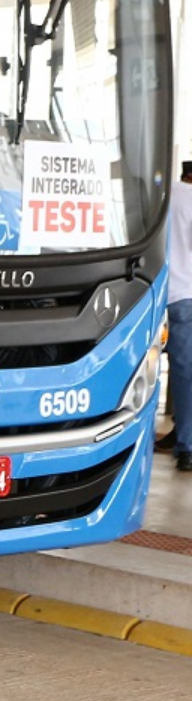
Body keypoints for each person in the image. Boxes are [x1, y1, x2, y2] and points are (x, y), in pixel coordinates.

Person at [164, 159, 192, 470]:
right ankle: (187, 448)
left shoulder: (163, 195)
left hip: (149, 295)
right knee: (186, 377)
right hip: (185, 295)